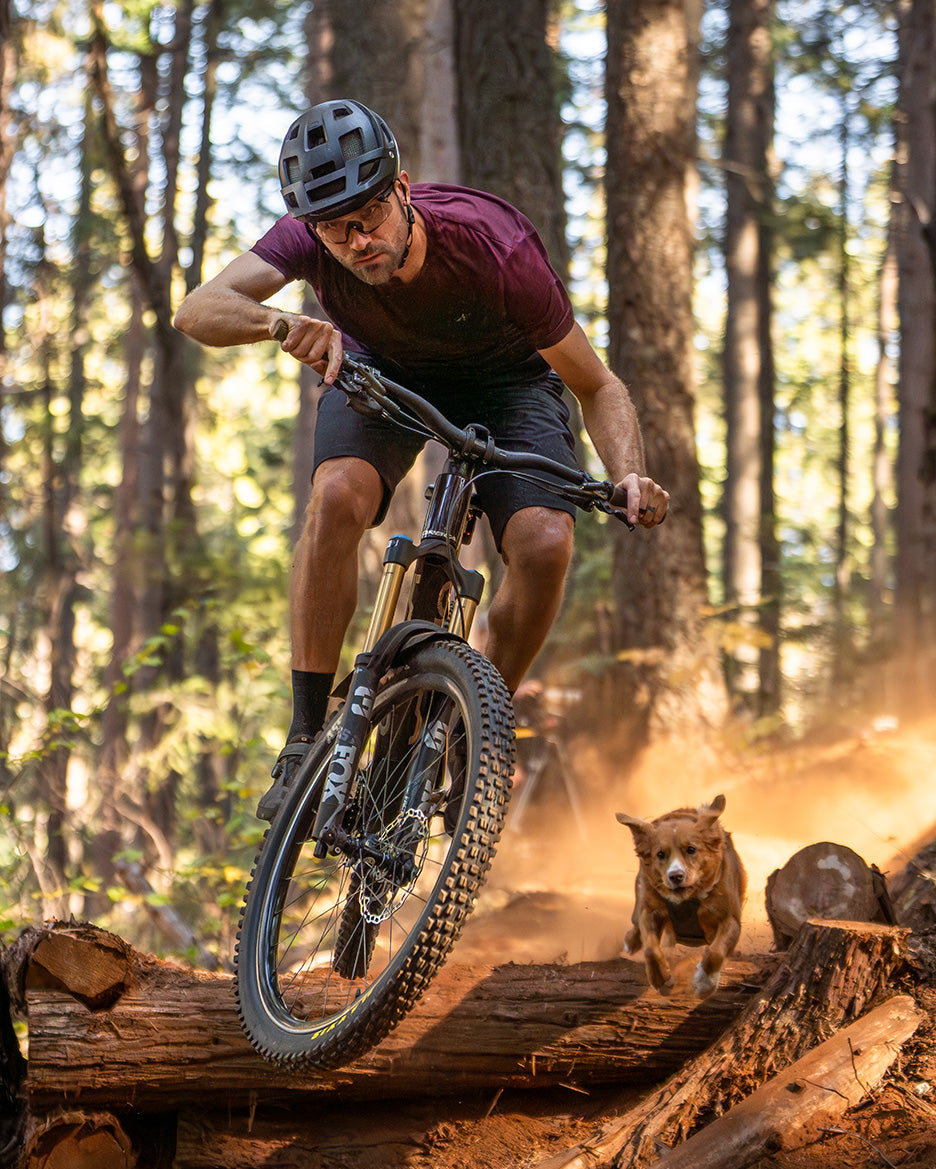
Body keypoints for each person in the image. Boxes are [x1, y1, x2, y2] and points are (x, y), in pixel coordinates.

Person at [174, 98, 669, 820]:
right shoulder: (311, 239)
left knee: (544, 540)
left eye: (370, 216)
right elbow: (198, 309)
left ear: (403, 190)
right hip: (381, 368)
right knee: (337, 495)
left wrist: (627, 471)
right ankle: (306, 733)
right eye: (335, 230)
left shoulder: (495, 248)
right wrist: (279, 322)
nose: (356, 240)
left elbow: (597, 384)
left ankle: (477, 727)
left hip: (506, 383)